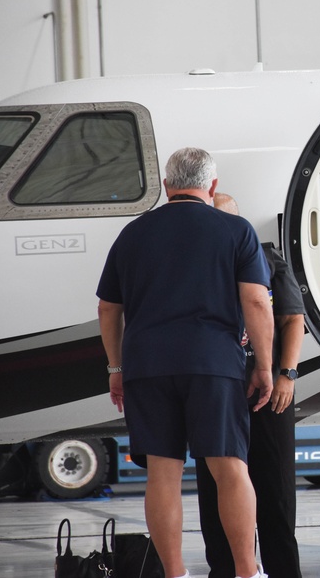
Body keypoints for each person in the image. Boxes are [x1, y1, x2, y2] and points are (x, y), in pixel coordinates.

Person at [97, 148, 274, 578]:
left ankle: (174, 574)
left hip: (147, 364)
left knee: (162, 471)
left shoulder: (133, 233)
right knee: (229, 468)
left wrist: (116, 369)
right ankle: (247, 572)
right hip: (212, 362)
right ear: (211, 187)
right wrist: (265, 367)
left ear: (165, 186)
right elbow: (255, 299)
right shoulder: (235, 230)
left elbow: (107, 308)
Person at [196, 193, 304, 578]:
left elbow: (293, 320)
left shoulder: (269, 260)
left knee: (275, 494)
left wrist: (286, 374)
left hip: (271, 392)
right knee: (214, 496)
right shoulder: (198, 264)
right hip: (217, 393)